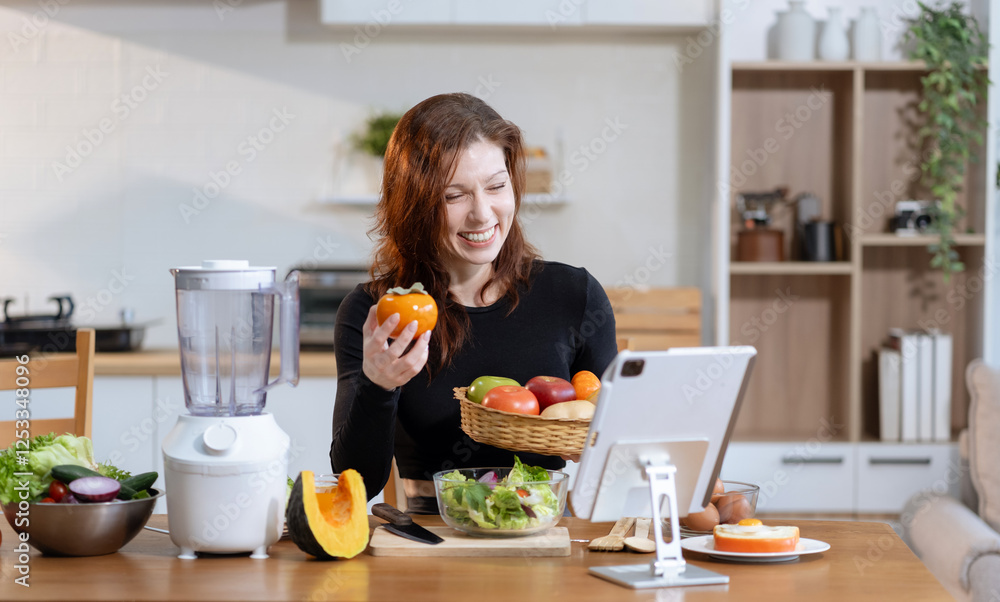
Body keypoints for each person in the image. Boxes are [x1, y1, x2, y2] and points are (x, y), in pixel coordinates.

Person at [330, 92, 618, 513]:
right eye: (453, 196)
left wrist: (599, 444)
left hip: (541, 531)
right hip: (432, 537)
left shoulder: (573, 295)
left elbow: (616, 448)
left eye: (496, 186)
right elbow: (356, 482)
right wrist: (378, 384)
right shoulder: (379, 314)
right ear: (413, 204)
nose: (483, 214)